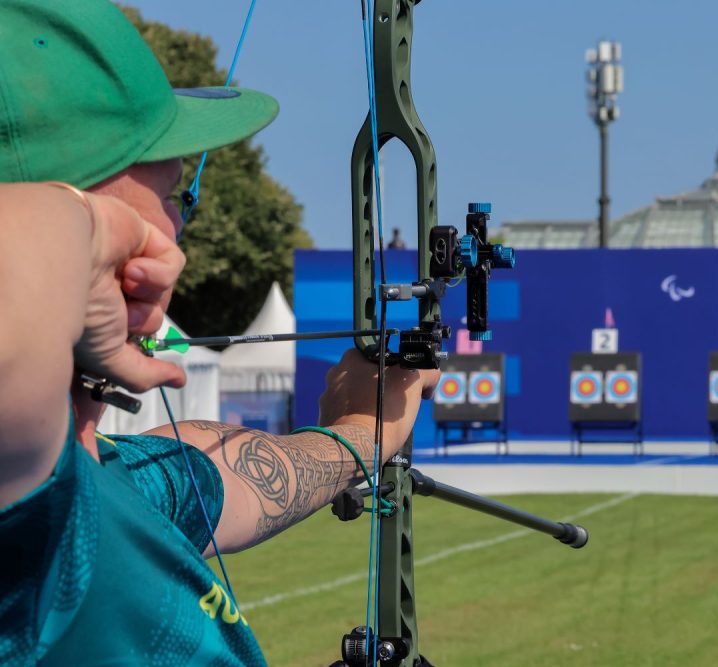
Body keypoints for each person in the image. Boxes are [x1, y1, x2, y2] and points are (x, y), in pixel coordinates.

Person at [0, 1, 439, 664]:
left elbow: (230, 470)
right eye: (172, 198)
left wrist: (362, 430)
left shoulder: (113, 486)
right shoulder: (35, 524)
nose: (180, 229)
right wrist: (89, 228)